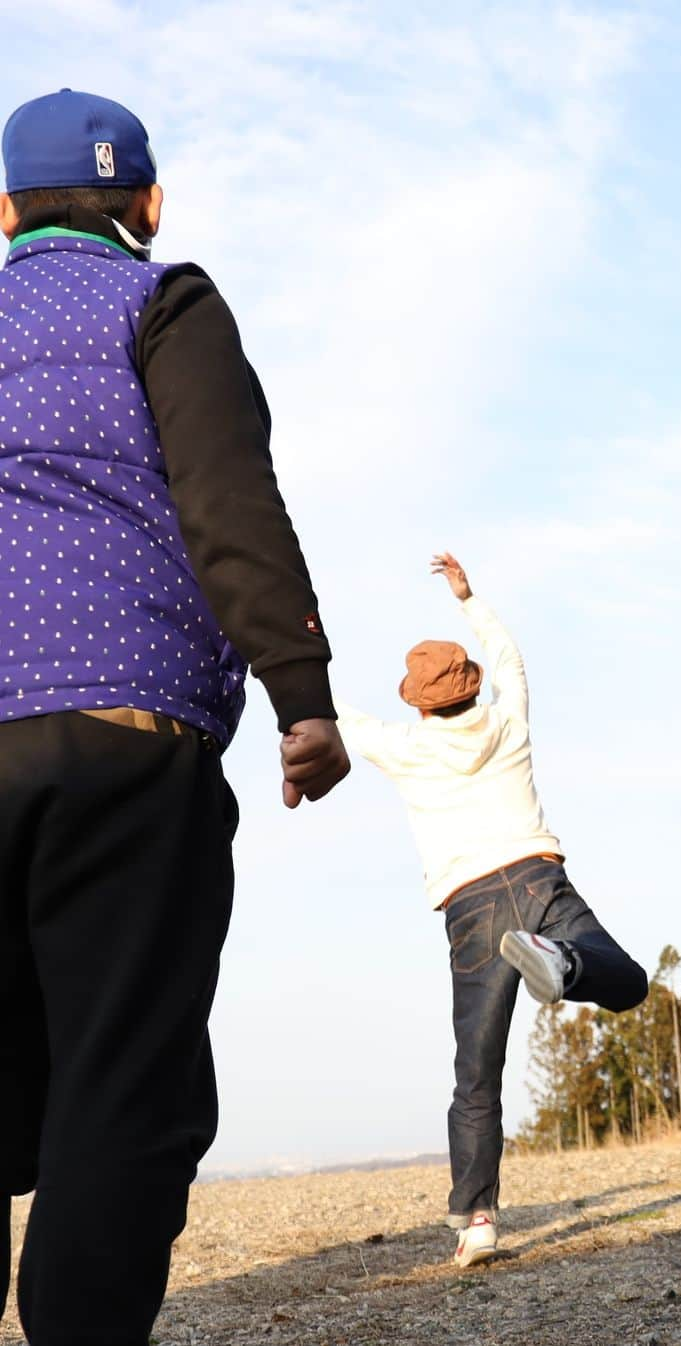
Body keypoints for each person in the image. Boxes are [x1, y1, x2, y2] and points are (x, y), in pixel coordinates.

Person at [0, 89, 350, 1344]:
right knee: (120, 1074)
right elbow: (227, 498)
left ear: (4, 210)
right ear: (148, 205)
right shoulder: (164, 303)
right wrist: (299, 695)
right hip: (120, 735)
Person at [340, 553, 648, 1267]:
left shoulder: (407, 746)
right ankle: (564, 963)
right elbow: (511, 657)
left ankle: (477, 1219)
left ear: (417, 701)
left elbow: (337, 716)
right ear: (471, 684)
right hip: (541, 883)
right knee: (626, 983)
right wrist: (469, 598)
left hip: (473, 910)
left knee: (476, 1069)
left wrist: (280, 648)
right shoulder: (509, 721)